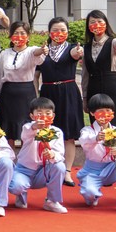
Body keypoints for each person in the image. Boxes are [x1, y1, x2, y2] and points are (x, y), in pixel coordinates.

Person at [36, 17, 85, 186]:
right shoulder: (43, 51)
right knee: (46, 132)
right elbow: (36, 76)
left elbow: (76, 54)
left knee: (69, 135)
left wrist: (79, 52)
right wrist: (37, 96)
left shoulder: (72, 48)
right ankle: (49, 168)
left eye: (63, 30)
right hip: (48, 93)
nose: (59, 34)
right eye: (55, 30)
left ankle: (67, 171)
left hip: (68, 92)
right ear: (49, 33)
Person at [78, 94, 116, 216]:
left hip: (113, 167)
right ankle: (93, 195)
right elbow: (84, 142)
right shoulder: (87, 131)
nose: (104, 114)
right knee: (89, 195)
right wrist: (96, 138)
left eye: (108, 111)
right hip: (92, 171)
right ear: (92, 113)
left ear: (113, 113)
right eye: (100, 111)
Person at [9, 97, 67, 213]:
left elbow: (60, 154)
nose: (44, 117)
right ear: (32, 116)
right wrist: (35, 126)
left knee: (60, 166)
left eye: (48, 113)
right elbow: (26, 134)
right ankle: (21, 197)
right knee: (16, 187)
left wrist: (52, 155)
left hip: (44, 170)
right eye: (39, 114)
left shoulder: (57, 132)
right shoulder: (28, 128)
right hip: (24, 170)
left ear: (53, 116)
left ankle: (52, 201)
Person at [0, 21, 44, 138]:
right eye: (16, 33)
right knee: (8, 129)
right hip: (8, 92)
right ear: (11, 35)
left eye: (22, 33)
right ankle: (9, 155)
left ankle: (26, 155)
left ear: (28, 36)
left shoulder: (31, 51)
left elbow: (37, 54)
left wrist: (43, 50)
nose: (19, 36)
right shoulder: (4, 53)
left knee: (26, 127)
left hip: (26, 92)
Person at [81, 10, 116, 131]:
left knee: (113, 127)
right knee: (96, 127)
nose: (97, 25)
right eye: (93, 22)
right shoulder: (86, 47)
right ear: (88, 26)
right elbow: (85, 74)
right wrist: (84, 97)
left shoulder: (112, 42)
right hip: (93, 90)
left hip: (112, 88)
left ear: (106, 24)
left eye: (100, 21)